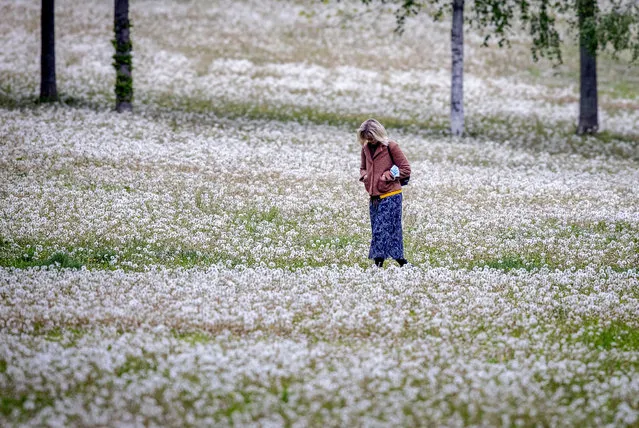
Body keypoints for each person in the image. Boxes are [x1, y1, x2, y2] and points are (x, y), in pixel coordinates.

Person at [358, 119, 411, 268]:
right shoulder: (365, 148)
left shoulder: (391, 147)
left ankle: (378, 264)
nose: (369, 139)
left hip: (391, 195)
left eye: (371, 136)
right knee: (382, 230)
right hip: (374, 197)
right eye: (366, 137)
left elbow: (406, 168)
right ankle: (402, 263)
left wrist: (387, 176)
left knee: (381, 230)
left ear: (378, 133)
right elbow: (362, 168)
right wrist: (365, 176)